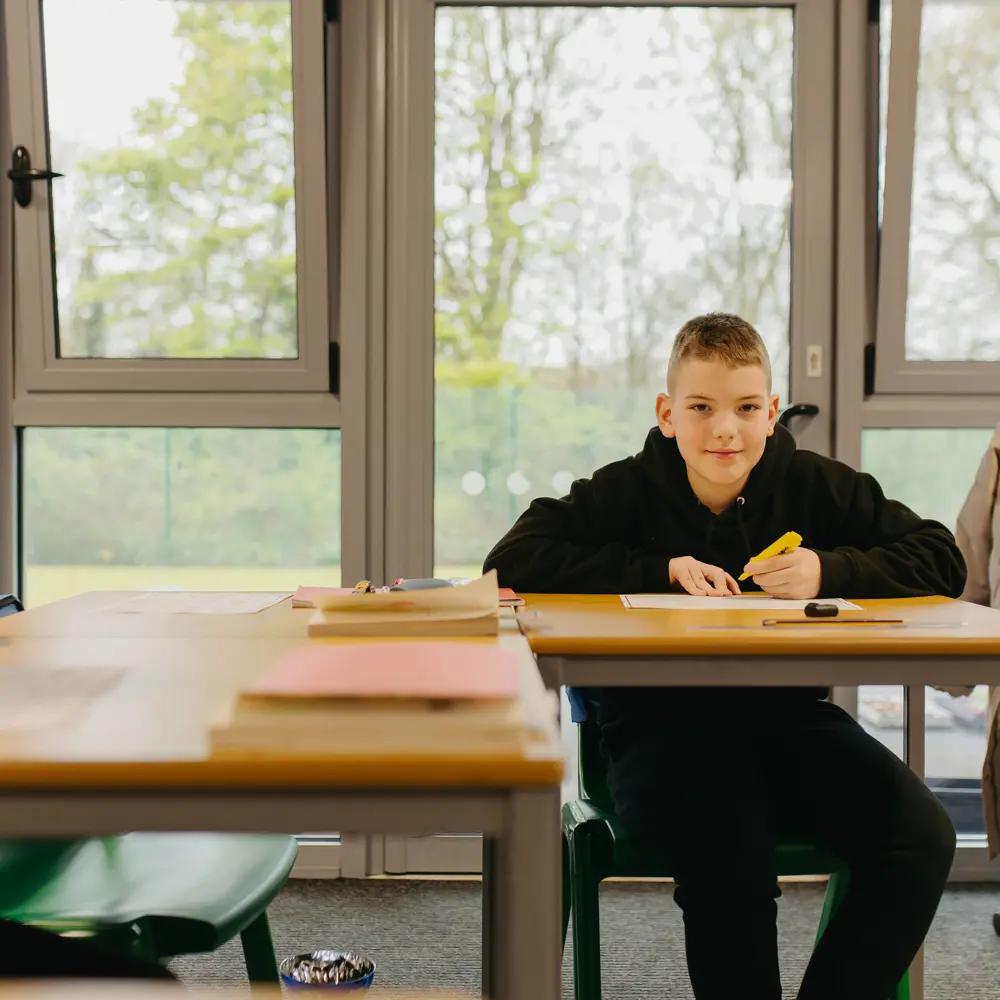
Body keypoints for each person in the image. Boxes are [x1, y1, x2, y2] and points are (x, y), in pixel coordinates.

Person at [484, 313, 966, 1000]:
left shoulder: (814, 485)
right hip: (658, 736)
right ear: (667, 413)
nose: (724, 430)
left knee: (921, 834)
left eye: (745, 409)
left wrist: (829, 571)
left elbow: (941, 557)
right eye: (701, 408)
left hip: (791, 725)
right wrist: (657, 569)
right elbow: (511, 560)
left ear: (771, 414)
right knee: (730, 845)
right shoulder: (627, 488)